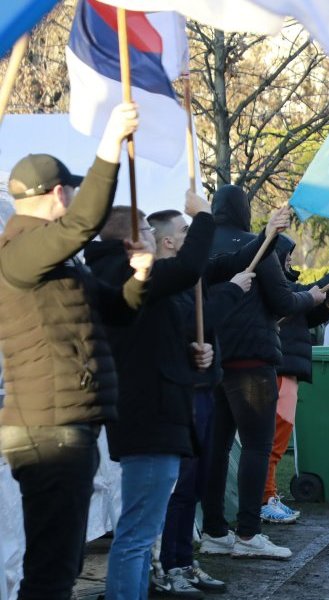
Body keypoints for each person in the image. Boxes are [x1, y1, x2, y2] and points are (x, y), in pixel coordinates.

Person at [0, 104, 148, 599]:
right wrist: (110, 145)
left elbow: (118, 311)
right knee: (52, 571)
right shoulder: (20, 252)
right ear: (59, 193)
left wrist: (140, 276)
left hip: (63, 425)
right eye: (72, 192)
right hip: (50, 429)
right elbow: (83, 223)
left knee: (58, 565)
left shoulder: (59, 263)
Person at [83, 194, 214, 600]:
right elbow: (189, 268)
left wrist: (191, 354)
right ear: (130, 239)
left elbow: (149, 340)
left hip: (154, 413)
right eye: (146, 229)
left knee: (142, 531)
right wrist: (204, 217)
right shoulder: (124, 273)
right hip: (150, 418)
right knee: (138, 533)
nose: (155, 239)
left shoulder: (123, 275)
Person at [146, 206, 272, 596]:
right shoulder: (162, 280)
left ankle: (185, 560)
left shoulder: (194, 271)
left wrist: (268, 233)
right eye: (186, 231)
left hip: (201, 388)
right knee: (180, 485)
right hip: (177, 397)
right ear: (169, 241)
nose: (195, 237)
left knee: (196, 482)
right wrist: (232, 290)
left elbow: (234, 260)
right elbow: (187, 322)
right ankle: (169, 564)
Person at [199, 186, 323, 560]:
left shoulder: (200, 246)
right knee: (256, 446)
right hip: (252, 360)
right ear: (244, 210)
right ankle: (249, 533)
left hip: (212, 359)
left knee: (217, 448)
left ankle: (214, 531)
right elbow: (282, 301)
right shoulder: (257, 245)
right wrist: (313, 298)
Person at [262, 242, 329, 523]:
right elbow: (301, 296)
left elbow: (302, 316)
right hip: (280, 369)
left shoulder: (283, 288)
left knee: (278, 437)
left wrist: (325, 308)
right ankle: (264, 498)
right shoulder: (274, 288)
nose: (290, 261)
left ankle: (268, 495)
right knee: (273, 439)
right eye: (287, 256)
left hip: (288, 371)